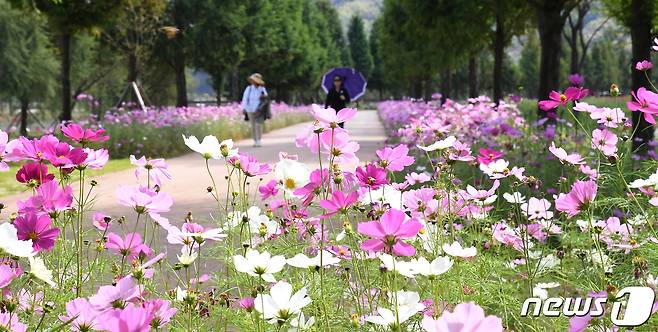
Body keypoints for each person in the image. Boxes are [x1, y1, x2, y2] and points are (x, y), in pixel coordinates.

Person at [241, 73, 268, 147]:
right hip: (250, 109)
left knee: (258, 125)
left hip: (259, 110)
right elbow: (245, 99)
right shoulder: (249, 88)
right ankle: (255, 140)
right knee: (252, 125)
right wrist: (244, 108)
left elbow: (265, 99)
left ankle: (259, 140)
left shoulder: (262, 89)